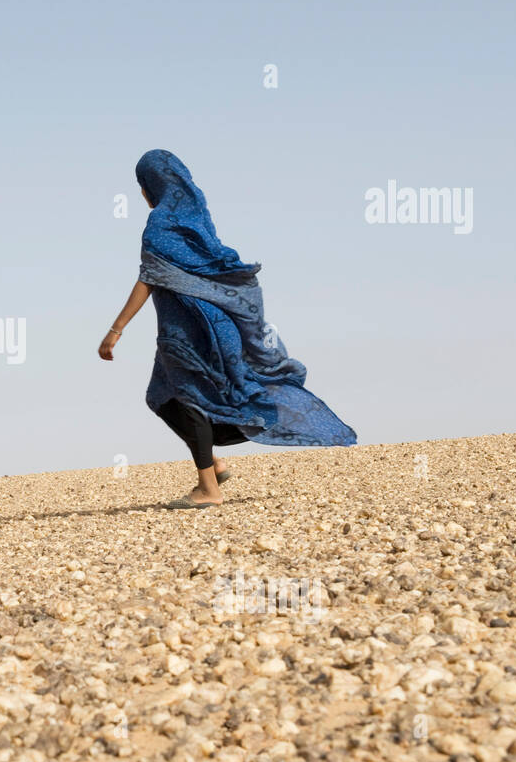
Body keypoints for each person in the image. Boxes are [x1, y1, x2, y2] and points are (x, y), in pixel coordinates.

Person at [99, 149, 356, 508]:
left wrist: (116, 329)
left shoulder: (159, 224)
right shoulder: (198, 216)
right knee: (163, 396)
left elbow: (149, 278)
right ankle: (213, 465)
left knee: (189, 398)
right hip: (219, 323)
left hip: (188, 329)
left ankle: (208, 489)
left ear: (148, 187)